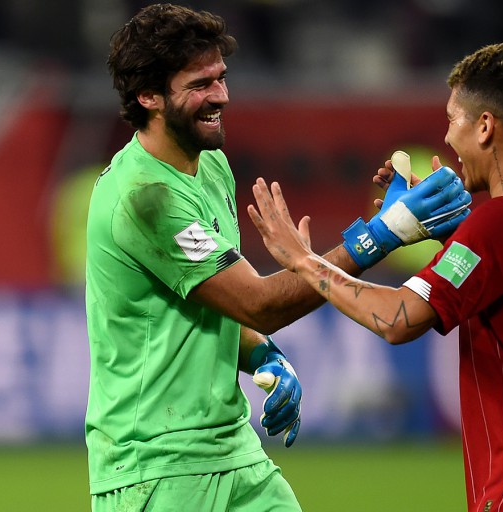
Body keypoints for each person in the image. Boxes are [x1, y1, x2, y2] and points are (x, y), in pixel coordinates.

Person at [84, 4, 470, 511]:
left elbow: (221, 302)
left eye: (221, 78)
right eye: (199, 84)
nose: (221, 96)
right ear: (148, 96)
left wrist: (264, 354)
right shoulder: (145, 197)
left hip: (234, 452)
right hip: (156, 469)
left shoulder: (211, 166)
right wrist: (384, 233)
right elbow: (257, 303)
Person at [249, 42, 503, 511]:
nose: (447, 138)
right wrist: (455, 234)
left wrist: (305, 260)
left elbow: (398, 319)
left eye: (452, 120)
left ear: (485, 126)